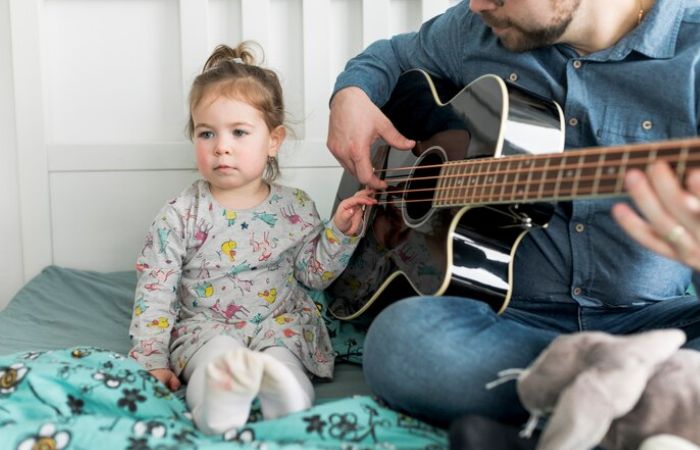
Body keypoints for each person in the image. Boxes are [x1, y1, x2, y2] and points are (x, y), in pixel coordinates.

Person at [327, 0, 700, 435]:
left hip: (656, 322)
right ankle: (631, 401)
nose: (478, 3)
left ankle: (562, 409)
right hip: (511, 321)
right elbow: (389, 56)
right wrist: (350, 94)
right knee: (400, 343)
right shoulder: (475, 29)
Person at [128, 42, 375, 435]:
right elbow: (155, 291)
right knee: (216, 359)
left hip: (280, 322)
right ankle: (217, 404)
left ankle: (287, 397)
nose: (221, 146)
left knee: (284, 360)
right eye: (206, 133)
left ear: (273, 140)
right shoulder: (179, 214)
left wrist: (339, 234)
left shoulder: (294, 206)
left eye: (239, 132)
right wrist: (151, 359)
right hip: (206, 325)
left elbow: (314, 275)